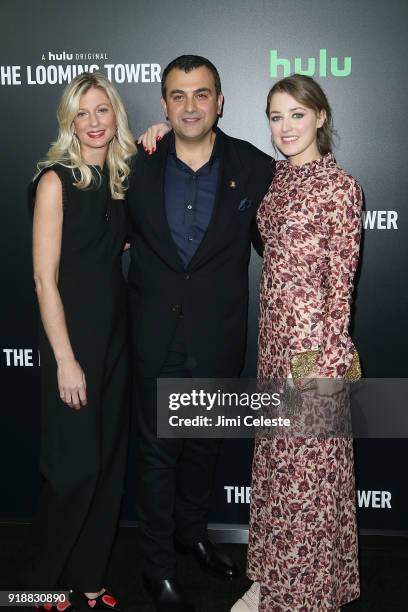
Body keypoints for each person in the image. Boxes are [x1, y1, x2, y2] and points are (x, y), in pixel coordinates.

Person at [126, 54, 275, 612]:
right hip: (153, 339)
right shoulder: (134, 166)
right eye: (178, 96)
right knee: (158, 457)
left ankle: (191, 537)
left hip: (217, 340)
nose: (190, 106)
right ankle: (156, 566)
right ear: (163, 104)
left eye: (201, 94)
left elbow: (287, 249)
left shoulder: (256, 167)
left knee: (203, 452)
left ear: (219, 101)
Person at [232, 74, 362, 611]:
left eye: (296, 115)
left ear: (321, 118)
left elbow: (342, 289)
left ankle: (308, 592)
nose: (284, 127)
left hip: (313, 351)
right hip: (274, 340)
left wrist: (315, 365)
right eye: (275, 116)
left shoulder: (341, 187)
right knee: (279, 470)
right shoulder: (278, 179)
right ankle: (277, 577)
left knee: (312, 475)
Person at [23, 72, 136, 611]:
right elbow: (45, 279)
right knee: (75, 471)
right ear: (69, 122)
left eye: (102, 111)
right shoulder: (55, 181)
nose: (94, 122)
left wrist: (160, 131)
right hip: (72, 344)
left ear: (116, 115)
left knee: (110, 466)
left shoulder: (119, 179)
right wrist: (65, 360)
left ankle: (89, 580)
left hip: (117, 341)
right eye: (82, 113)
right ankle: (37, 584)